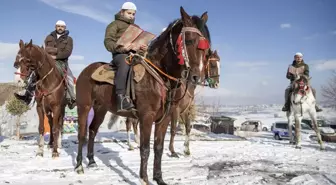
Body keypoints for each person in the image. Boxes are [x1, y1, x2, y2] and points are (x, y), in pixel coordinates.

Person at [14, 20, 76, 109]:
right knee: (35, 74)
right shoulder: (49, 37)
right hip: (47, 61)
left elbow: (68, 52)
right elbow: (44, 49)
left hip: (61, 61)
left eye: (62, 26)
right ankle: (27, 96)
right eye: (58, 26)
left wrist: (56, 56)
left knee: (69, 77)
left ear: (65, 28)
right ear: (55, 27)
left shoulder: (69, 39)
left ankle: (71, 99)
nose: (60, 28)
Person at [104, 2, 147, 112]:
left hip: (135, 55)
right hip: (120, 55)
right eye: (129, 13)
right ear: (122, 12)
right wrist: (123, 48)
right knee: (125, 61)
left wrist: (143, 49)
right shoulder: (114, 24)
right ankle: (121, 98)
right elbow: (108, 42)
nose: (132, 16)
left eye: (133, 14)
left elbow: (140, 43)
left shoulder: (137, 27)